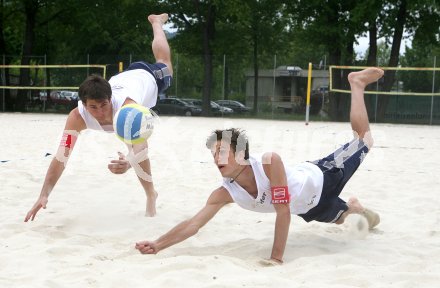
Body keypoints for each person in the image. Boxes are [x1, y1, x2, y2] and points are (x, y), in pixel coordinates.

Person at [135, 67, 383, 264]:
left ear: (242, 154)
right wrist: (158, 244)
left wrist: (276, 258)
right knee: (366, 222)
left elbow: (282, 211)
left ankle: (356, 84)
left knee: (364, 140)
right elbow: (193, 224)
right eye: (213, 153)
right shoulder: (224, 193)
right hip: (312, 208)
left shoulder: (268, 162)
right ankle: (354, 207)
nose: (216, 158)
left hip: (325, 175)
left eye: (222, 151)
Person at [24, 13, 172, 222]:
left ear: (111, 99)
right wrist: (44, 194)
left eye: (104, 105)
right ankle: (151, 193)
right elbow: (61, 157)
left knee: (163, 61)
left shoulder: (127, 108)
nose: (101, 112)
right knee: (130, 145)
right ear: (84, 105)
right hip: (124, 79)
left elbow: (142, 147)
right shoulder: (78, 117)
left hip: (147, 77)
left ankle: (156, 22)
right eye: (93, 107)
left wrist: (129, 162)